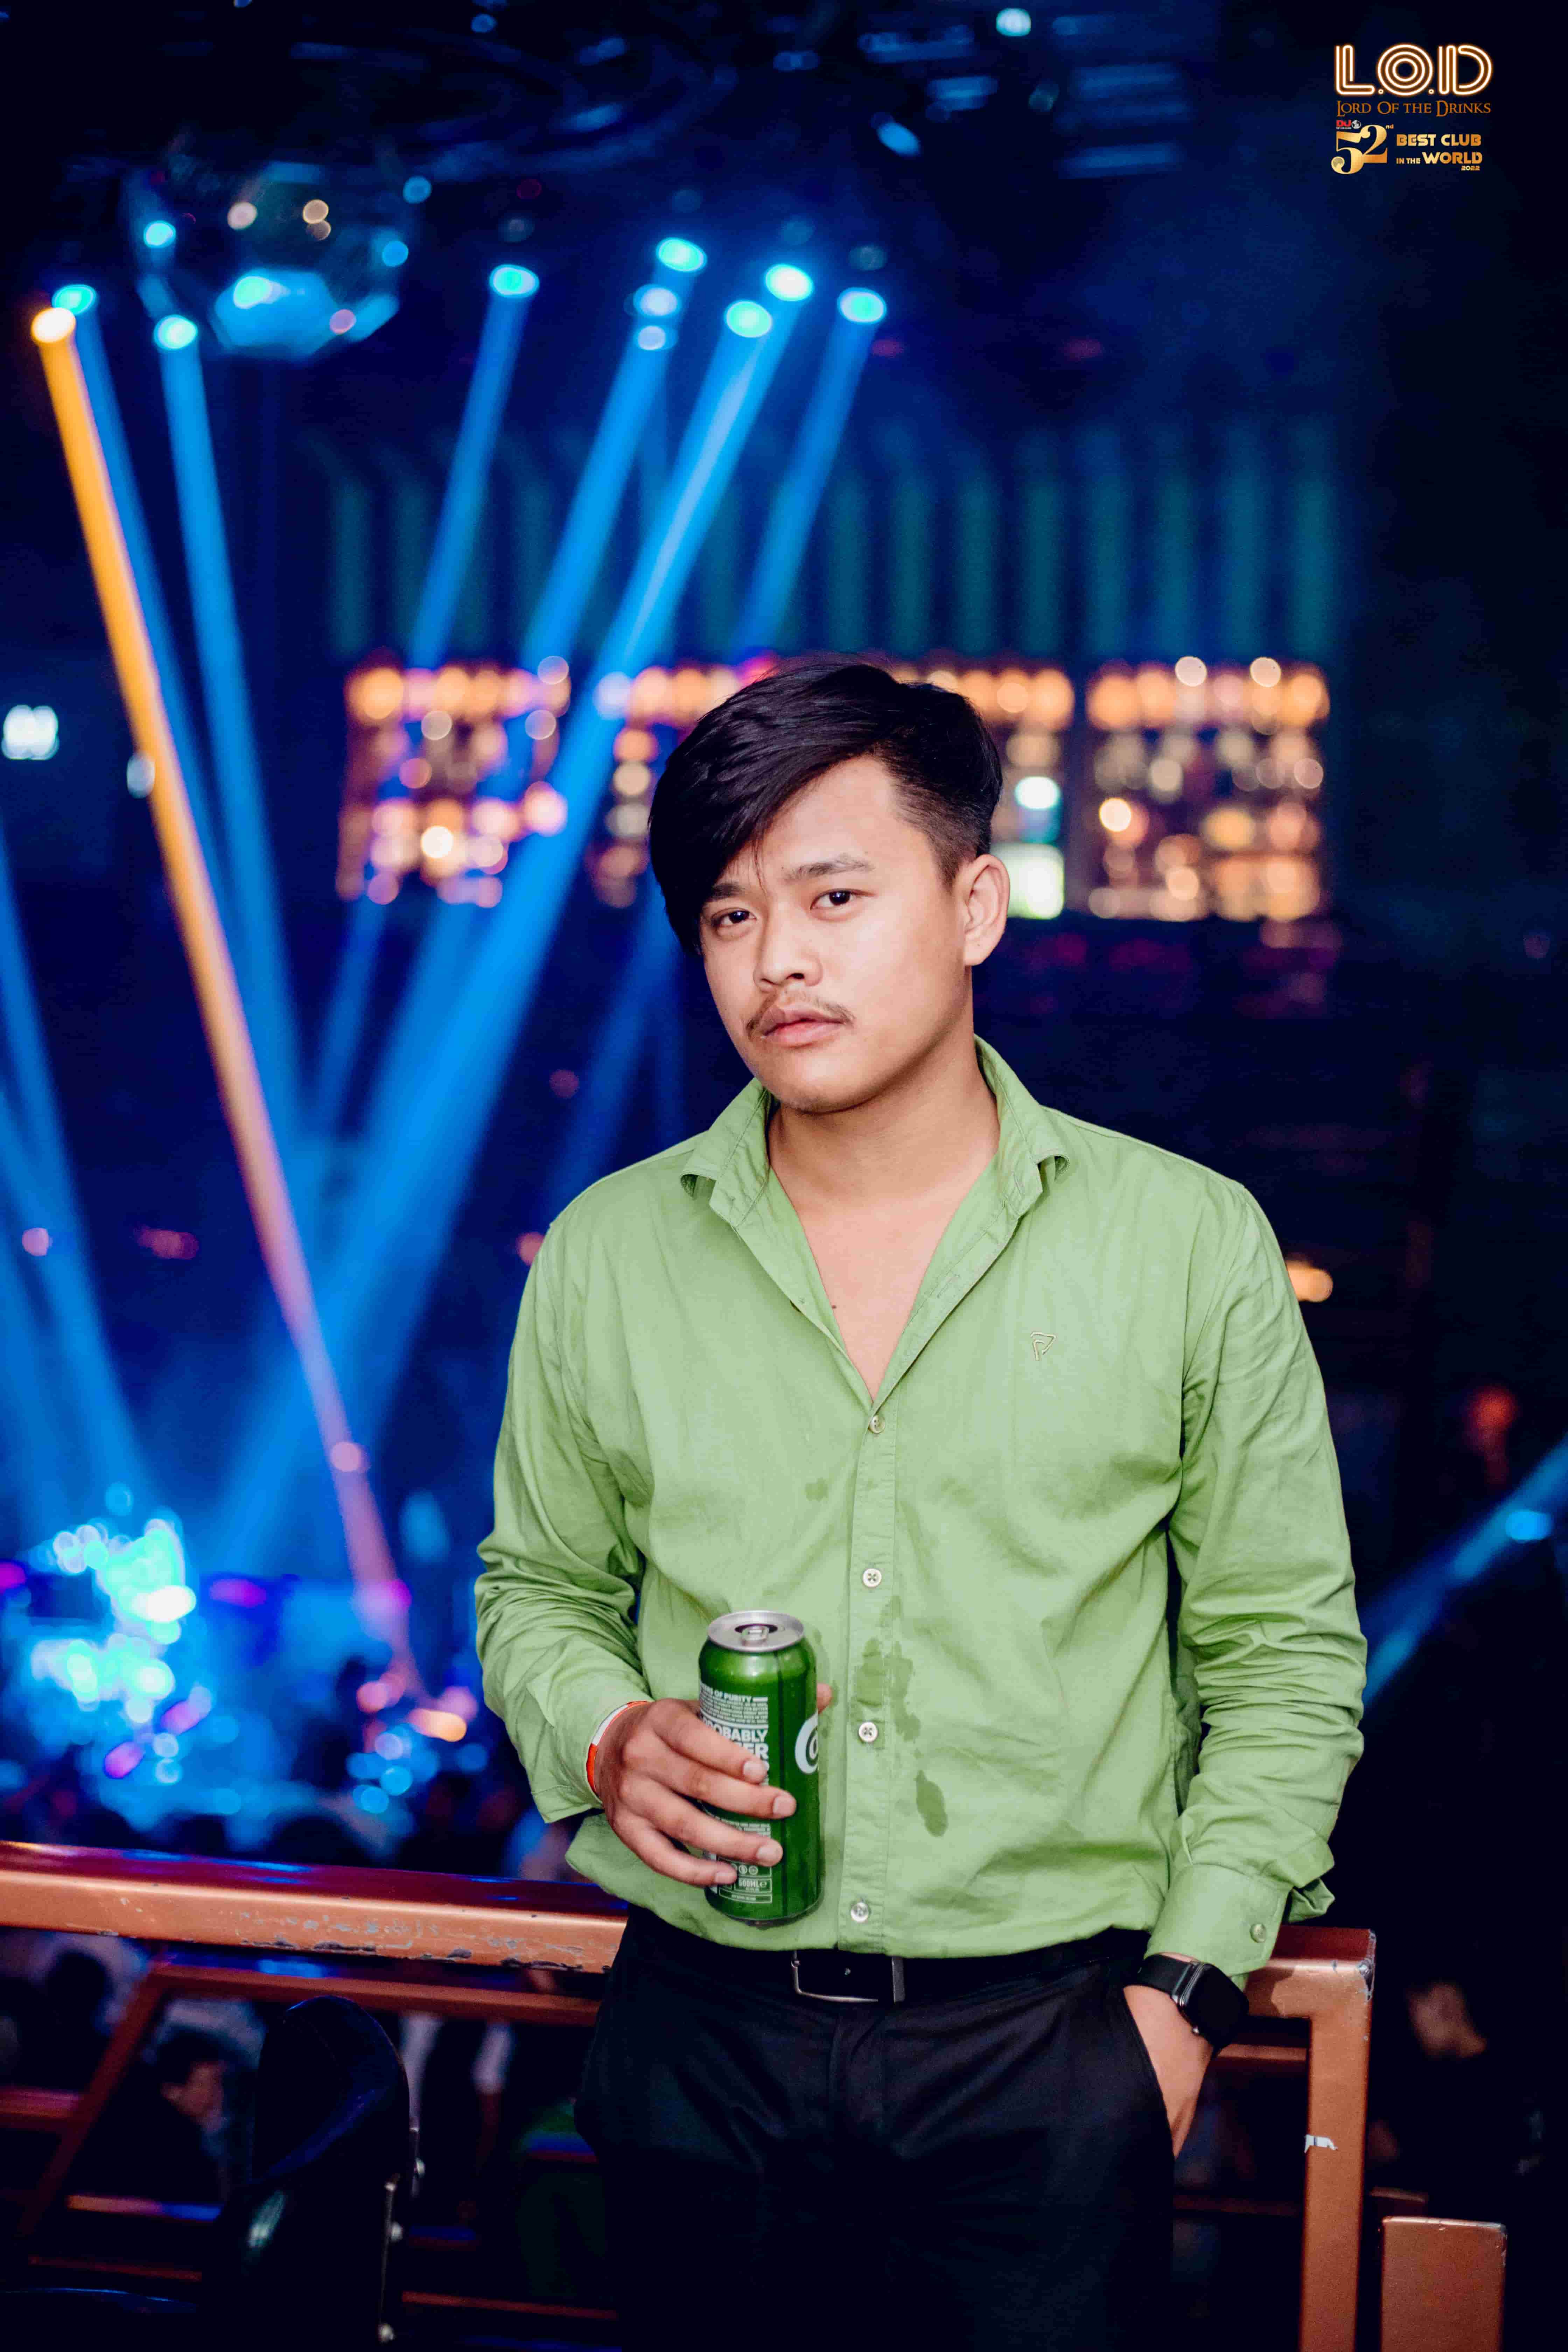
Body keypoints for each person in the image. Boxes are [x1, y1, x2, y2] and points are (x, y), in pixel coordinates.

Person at [475, 660, 1366, 2350]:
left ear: (973, 905)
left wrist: (1182, 2000)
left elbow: (1281, 1658)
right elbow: (537, 1588)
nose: (777, 960)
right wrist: (602, 1730)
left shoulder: (1184, 1244)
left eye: (833, 897)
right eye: (729, 915)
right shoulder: (608, 1251)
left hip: (1049, 2046)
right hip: (698, 2033)